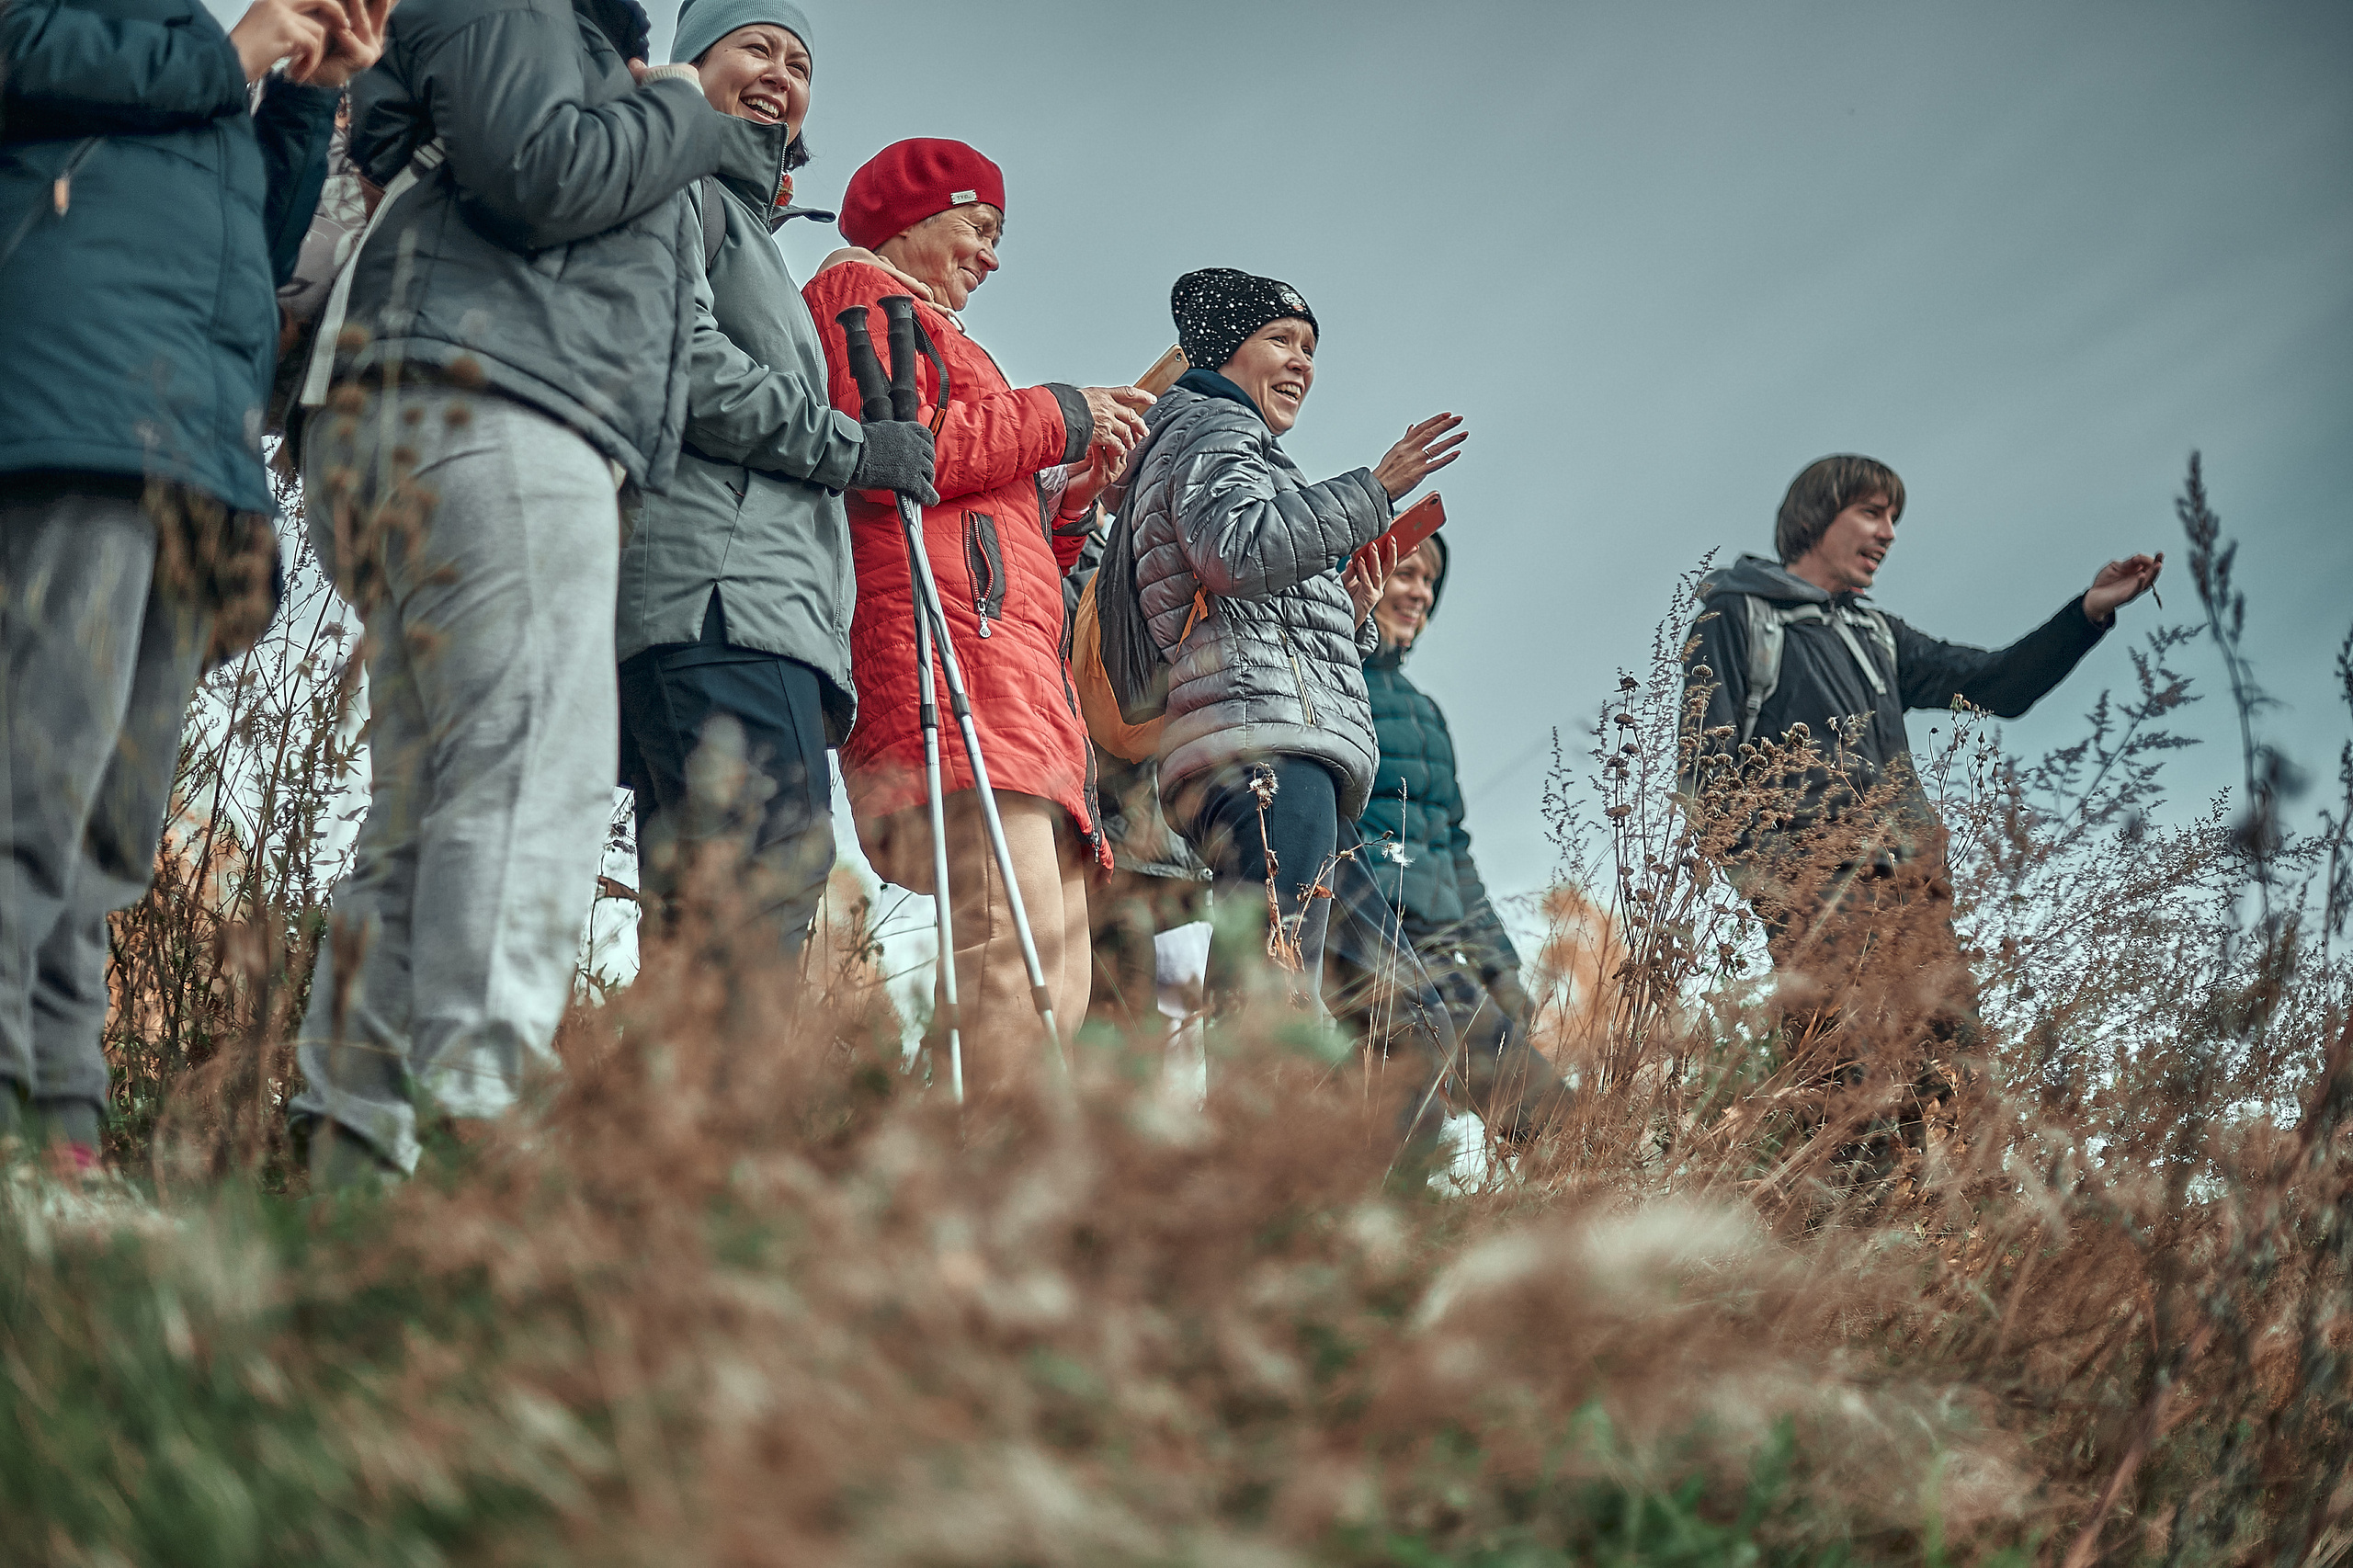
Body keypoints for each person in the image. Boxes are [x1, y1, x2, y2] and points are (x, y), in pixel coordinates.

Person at [290, 0, 795, 1182]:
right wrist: (674, 104)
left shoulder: (574, 39)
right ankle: (481, 1112)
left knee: (429, 803)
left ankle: (356, 1143)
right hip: (497, 402)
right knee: (530, 773)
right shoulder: (533, 14)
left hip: (441, 400)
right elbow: (537, 169)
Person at [0, 0, 385, 1166]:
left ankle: (56, 1107)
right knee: (35, 772)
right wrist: (237, 56)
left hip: (195, 456)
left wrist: (310, 89)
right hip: (76, 412)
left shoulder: (195, 56)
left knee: (114, 819)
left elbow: (261, 255)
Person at [1115, 267, 1567, 1139]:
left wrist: (1349, 615)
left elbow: (1248, 603)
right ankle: (1258, 1199)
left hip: (1282, 749)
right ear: (1225, 349)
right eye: (1282, 340)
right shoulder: (1210, 428)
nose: (1302, 364)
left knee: (1409, 1018)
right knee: (1274, 994)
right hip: (1260, 757)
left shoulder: (1239, 447)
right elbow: (1236, 551)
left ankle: (1334, 1219)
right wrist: (1377, 487)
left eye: (1311, 349)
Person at [1679, 454, 2161, 1160]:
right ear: (1817, 518)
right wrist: (1786, 893)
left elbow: (1996, 686)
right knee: (1854, 1112)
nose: (1890, 533)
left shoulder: (1876, 636)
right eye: (1873, 513)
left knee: (1963, 1105)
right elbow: (1703, 777)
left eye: (1893, 518)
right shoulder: (1737, 616)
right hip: (1823, 907)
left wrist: (2086, 614)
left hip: (1916, 900)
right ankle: (1842, 1259)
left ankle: (1947, 1262)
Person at [801, 139, 1150, 1097]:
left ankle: (966, 1167)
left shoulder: (938, 329)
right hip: (948, 656)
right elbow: (897, 455)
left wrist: (1071, 495)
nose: (992, 256)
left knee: (1058, 972)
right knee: (1013, 948)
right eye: (978, 226)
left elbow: (1005, 535)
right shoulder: (861, 297)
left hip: (1007, 676)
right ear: (913, 218)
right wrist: (1059, 414)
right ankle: (976, 1180)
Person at [614, 1, 937, 960]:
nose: (780, 73)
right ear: (691, 65)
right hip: (721, 604)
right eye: (754, 46)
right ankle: (729, 1114)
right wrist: (852, 450)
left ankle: (673, 1113)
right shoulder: (684, 189)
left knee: (706, 922)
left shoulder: (746, 227)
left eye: (799, 62)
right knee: (762, 899)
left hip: (746, 611)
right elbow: (690, 366)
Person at [1339, 534, 1551, 1106]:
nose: (1421, 594)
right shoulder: (1330, 683)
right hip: (1368, 948)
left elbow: (1453, 847)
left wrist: (1498, 967)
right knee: (1412, 1129)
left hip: (1437, 951)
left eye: (1430, 582)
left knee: (1548, 1113)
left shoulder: (1425, 711)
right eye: (1406, 574)